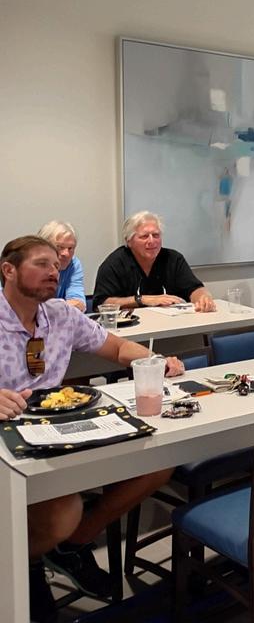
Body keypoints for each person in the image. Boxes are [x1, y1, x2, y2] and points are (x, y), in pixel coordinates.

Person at [0, 236, 184, 623]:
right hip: (11, 438)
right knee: (63, 510)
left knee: (159, 461)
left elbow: (116, 348)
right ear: (9, 270)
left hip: (60, 426)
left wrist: (156, 360)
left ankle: (71, 544)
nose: (54, 272)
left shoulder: (60, 316)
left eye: (57, 265)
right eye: (42, 264)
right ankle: (29, 564)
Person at [93, 212, 217, 312]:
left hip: (171, 326)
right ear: (129, 241)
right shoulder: (115, 263)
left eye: (156, 235)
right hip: (132, 329)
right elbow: (101, 304)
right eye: (144, 236)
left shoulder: (173, 259)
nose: (152, 241)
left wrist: (203, 297)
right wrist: (141, 300)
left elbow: (194, 288)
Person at [37, 220, 86, 311]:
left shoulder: (73, 264)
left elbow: (79, 304)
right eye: (59, 247)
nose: (66, 254)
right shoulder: (29, 266)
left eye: (70, 248)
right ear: (43, 247)